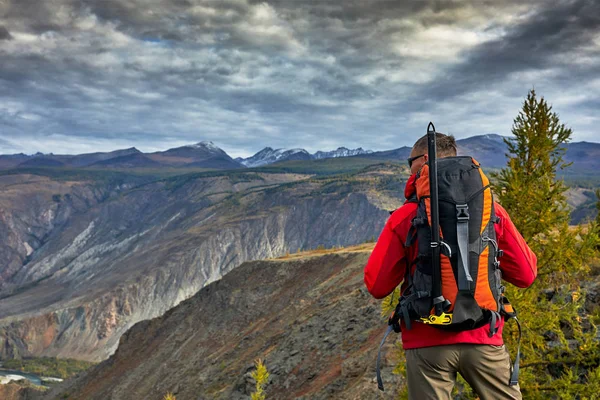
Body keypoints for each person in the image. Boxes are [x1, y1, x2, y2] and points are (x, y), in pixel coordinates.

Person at [363, 133, 537, 400]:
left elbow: (377, 285)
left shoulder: (405, 217)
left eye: (410, 162)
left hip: (427, 342)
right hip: (483, 334)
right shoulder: (493, 213)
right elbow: (526, 274)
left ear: (423, 160)